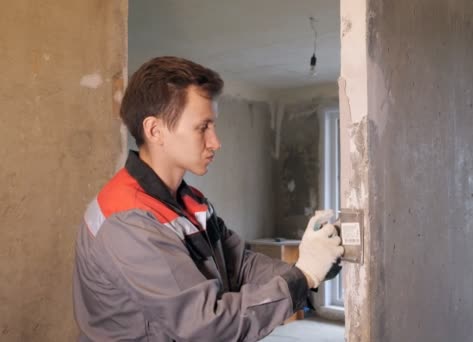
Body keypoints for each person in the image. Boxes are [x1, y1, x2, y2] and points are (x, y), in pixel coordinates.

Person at [72, 56, 344, 341]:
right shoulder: (127, 219)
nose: (216, 141)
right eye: (202, 127)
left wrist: (313, 264)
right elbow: (205, 326)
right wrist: (304, 277)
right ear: (155, 130)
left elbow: (239, 266)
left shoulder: (190, 202)